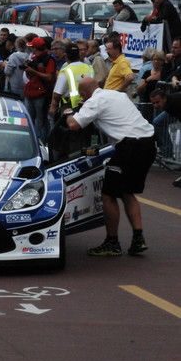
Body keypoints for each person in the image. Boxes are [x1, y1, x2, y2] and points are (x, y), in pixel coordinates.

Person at [65, 77, 156, 256]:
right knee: (127, 192)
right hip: (149, 143)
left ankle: (112, 242)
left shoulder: (95, 102)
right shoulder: (116, 95)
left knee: (108, 195)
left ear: (83, 94)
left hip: (129, 146)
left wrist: (68, 112)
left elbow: (74, 125)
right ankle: (138, 239)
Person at [23, 37, 56, 143]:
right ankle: (30, 142)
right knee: (29, 120)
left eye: (31, 47)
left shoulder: (49, 60)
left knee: (40, 122)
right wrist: (28, 69)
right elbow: (30, 77)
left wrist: (33, 71)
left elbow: (49, 77)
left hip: (41, 95)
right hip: (30, 93)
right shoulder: (34, 59)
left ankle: (41, 144)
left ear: (34, 48)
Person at [49, 44, 94, 117]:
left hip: (70, 107)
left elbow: (57, 94)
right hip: (87, 104)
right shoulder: (89, 68)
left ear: (66, 56)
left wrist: (53, 107)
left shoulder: (66, 70)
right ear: (78, 55)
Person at [136, 50, 165, 121]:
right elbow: (139, 89)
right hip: (148, 103)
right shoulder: (147, 73)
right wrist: (148, 80)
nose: (156, 61)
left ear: (162, 61)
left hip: (160, 104)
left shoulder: (164, 73)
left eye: (158, 59)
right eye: (154, 59)